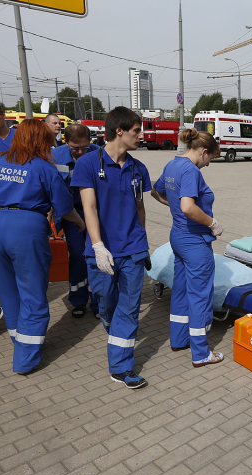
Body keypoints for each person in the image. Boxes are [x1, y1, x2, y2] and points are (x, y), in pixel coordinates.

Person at [0, 119, 85, 373]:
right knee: (32, 291)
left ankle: (20, 341)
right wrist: (80, 223)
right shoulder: (44, 167)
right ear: (41, 141)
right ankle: (27, 358)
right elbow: (64, 207)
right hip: (25, 226)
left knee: (7, 289)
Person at [71, 107, 152, 389]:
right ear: (119, 131)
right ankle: (114, 329)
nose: (141, 136)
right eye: (136, 131)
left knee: (129, 309)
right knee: (105, 302)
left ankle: (121, 368)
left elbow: (140, 208)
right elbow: (89, 208)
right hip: (102, 250)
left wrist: (143, 243)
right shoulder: (88, 164)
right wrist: (97, 246)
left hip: (133, 250)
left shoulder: (138, 168)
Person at [151, 129, 225, 368]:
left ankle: (179, 339)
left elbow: (155, 191)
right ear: (203, 151)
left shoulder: (172, 165)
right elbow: (187, 207)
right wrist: (212, 223)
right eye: (211, 158)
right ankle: (201, 352)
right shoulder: (191, 170)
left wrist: (174, 206)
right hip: (195, 241)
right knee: (200, 296)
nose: (209, 164)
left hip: (178, 237)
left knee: (181, 290)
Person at [52, 124, 100, 318]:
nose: (80, 152)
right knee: (78, 256)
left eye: (84, 148)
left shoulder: (99, 154)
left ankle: (98, 301)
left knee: (97, 255)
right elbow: (51, 191)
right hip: (71, 215)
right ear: (66, 142)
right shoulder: (55, 157)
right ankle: (78, 300)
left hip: (96, 213)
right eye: (75, 148)